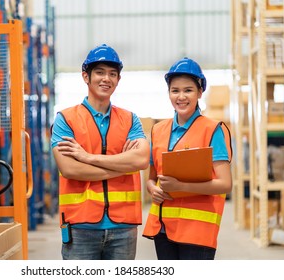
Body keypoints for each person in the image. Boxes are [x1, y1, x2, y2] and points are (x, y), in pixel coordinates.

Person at [50, 44, 150, 260]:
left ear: (118, 80)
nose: (107, 79)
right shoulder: (65, 120)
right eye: (100, 72)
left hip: (124, 227)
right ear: (86, 76)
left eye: (113, 74)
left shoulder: (130, 119)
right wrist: (123, 166)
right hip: (80, 226)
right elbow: (69, 169)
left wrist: (87, 157)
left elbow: (141, 159)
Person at [142, 57, 233, 260]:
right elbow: (151, 177)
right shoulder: (158, 130)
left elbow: (225, 184)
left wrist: (180, 185)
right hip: (163, 228)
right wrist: (152, 189)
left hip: (197, 232)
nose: (181, 96)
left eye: (188, 90)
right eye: (175, 90)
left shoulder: (212, 130)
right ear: (169, 93)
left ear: (200, 92)